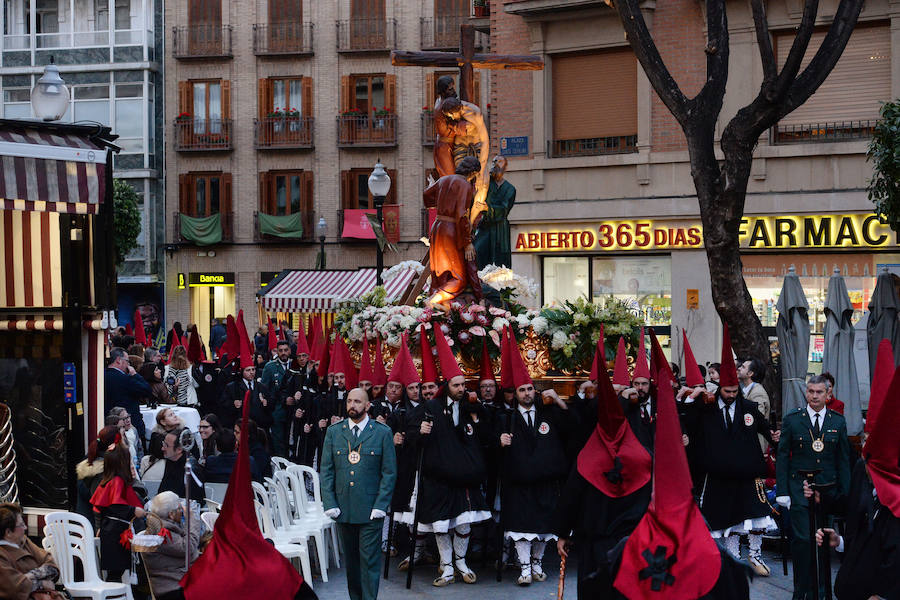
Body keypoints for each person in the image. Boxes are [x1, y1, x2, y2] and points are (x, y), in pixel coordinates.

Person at [553, 351, 652, 599]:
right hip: (634, 545)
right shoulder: (643, 457)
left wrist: (563, 533)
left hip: (595, 546)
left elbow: (570, 499)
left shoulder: (588, 458)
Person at [689, 326, 779, 577]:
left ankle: (755, 553)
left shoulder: (749, 406)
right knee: (727, 520)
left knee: (755, 516)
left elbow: (766, 430)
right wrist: (692, 397)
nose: (731, 396)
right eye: (727, 392)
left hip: (748, 473)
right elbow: (688, 424)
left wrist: (775, 438)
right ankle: (732, 557)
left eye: (735, 392)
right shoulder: (705, 408)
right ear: (720, 389)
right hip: (718, 475)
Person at [405, 327, 490, 587]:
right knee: (441, 525)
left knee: (464, 521)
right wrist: (419, 432)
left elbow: (483, 434)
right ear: (447, 386)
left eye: (464, 384)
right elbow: (410, 434)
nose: (462, 389)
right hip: (438, 477)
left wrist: (476, 413)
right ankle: (447, 566)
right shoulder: (429, 408)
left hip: (464, 477)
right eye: (457, 385)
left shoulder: (469, 407)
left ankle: (462, 562)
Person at [814, 355, 900, 600]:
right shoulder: (863, 472)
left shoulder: (894, 504)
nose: (865, 450)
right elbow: (860, 531)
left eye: (871, 443)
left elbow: (893, 558)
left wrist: (883, 595)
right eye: (864, 440)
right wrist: (839, 541)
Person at [497, 341, 573, 586]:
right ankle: (525, 568)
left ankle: (538, 563)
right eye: (522, 390)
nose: (527, 393)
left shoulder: (548, 414)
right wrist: (500, 440)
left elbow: (571, 429)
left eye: (530, 389)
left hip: (546, 481)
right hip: (519, 482)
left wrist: (560, 401)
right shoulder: (506, 418)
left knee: (543, 526)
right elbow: (490, 445)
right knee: (521, 526)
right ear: (515, 394)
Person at [776, 374, 851, 600]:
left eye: (819, 392)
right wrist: (782, 492)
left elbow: (843, 460)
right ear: (806, 393)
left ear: (828, 394)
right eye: (810, 391)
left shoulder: (838, 421)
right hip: (800, 489)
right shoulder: (793, 419)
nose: (814, 396)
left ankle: (820, 591)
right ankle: (801, 592)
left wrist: (844, 495)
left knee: (821, 542)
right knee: (802, 542)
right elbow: (782, 456)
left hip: (827, 492)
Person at [321, 388, 397, 600]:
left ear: (367, 405)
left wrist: (381, 505)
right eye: (349, 401)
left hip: (370, 509)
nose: (351, 405)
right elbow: (326, 471)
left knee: (369, 561)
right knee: (352, 562)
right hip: (343, 507)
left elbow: (389, 473)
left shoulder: (382, 432)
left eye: (357, 401)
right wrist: (330, 502)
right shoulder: (334, 432)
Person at [422, 156, 484, 308]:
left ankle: (440, 304)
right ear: (473, 172)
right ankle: (433, 301)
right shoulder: (464, 185)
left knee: (440, 274)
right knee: (459, 278)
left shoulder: (444, 180)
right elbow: (462, 214)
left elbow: (426, 196)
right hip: (451, 230)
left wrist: (440, 196)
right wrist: (468, 243)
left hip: (437, 227)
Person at [90, 441, 146, 582]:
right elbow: (116, 506)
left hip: (110, 530)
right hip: (115, 533)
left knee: (116, 572)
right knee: (116, 573)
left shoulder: (109, 480)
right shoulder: (117, 481)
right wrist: (134, 510)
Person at [141, 491, 204, 600]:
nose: (182, 511)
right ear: (171, 514)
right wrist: (192, 519)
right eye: (180, 509)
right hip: (172, 588)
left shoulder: (163, 526)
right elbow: (188, 548)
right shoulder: (161, 534)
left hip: (180, 581)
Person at [439, 96, 490, 224]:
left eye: (451, 115)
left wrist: (481, 171)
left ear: (456, 111)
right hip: (461, 146)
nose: (450, 118)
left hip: (478, 145)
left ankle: (471, 222)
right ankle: (460, 213)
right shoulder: (451, 112)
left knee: (483, 182)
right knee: (460, 180)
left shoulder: (474, 113)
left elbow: (485, 142)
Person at [0, 502, 63, 599]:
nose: (25, 527)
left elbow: (50, 564)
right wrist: (42, 583)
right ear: (8, 532)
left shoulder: (24, 541)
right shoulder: (2, 555)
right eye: (21, 525)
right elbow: (14, 588)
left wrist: (30, 575)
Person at [473, 155, 516, 269]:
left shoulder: (510, 189)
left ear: (505, 167)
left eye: (499, 162)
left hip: (500, 229)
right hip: (485, 227)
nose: (496, 164)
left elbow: (504, 210)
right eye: (494, 161)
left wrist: (487, 208)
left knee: (499, 260)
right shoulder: (486, 184)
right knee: (477, 251)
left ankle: (500, 284)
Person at [618, 329, 655, 451]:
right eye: (636, 384)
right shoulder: (627, 403)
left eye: (644, 384)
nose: (640, 388)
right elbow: (616, 415)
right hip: (634, 453)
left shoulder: (658, 402)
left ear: (650, 385)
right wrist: (624, 395)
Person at [105, 346, 152, 441]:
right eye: (127, 361)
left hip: (109, 426)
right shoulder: (125, 379)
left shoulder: (102, 375)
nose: (128, 365)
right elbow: (147, 390)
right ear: (118, 360)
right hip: (129, 426)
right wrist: (135, 374)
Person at [260, 340, 295, 457]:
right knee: (279, 443)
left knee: (293, 442)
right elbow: (265, 390)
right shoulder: (270, 367)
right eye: (281, 351)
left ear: (290, 350)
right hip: (278, 411)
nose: (283, 353)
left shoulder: (295, 365)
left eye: (286, 350)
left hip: (294, 411)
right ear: (277, 352)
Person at [221, 364, 273, 431]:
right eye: (248, 370)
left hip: (259, 426)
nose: (251, 372)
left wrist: (266, 403)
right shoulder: (232, 387)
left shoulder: (262, 387)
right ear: (242, 371)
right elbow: (223, 404)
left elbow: (271, 403)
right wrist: (233, 404)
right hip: (241, 425)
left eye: (253, 369)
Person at [158, 427, 205, 502]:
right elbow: (163, 490)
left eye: (166, 445)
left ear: (179, 449)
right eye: (163, 444)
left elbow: (196, 501)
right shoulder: (170, 460)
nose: (162, 448)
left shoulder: (191, 468)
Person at [738, 358, 772, 453]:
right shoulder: (747, 390)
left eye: (743, 367)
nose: (739, 368)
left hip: (754, 446)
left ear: (750, 373)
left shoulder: (757, 393)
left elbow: (756, 421)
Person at [110, 407, 144, 473]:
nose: (128, 420)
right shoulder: (113, 436)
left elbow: (140, 450)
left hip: (135, 468)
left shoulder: (133, 430)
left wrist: (138, 465)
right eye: (124, 419)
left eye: (128, 417)